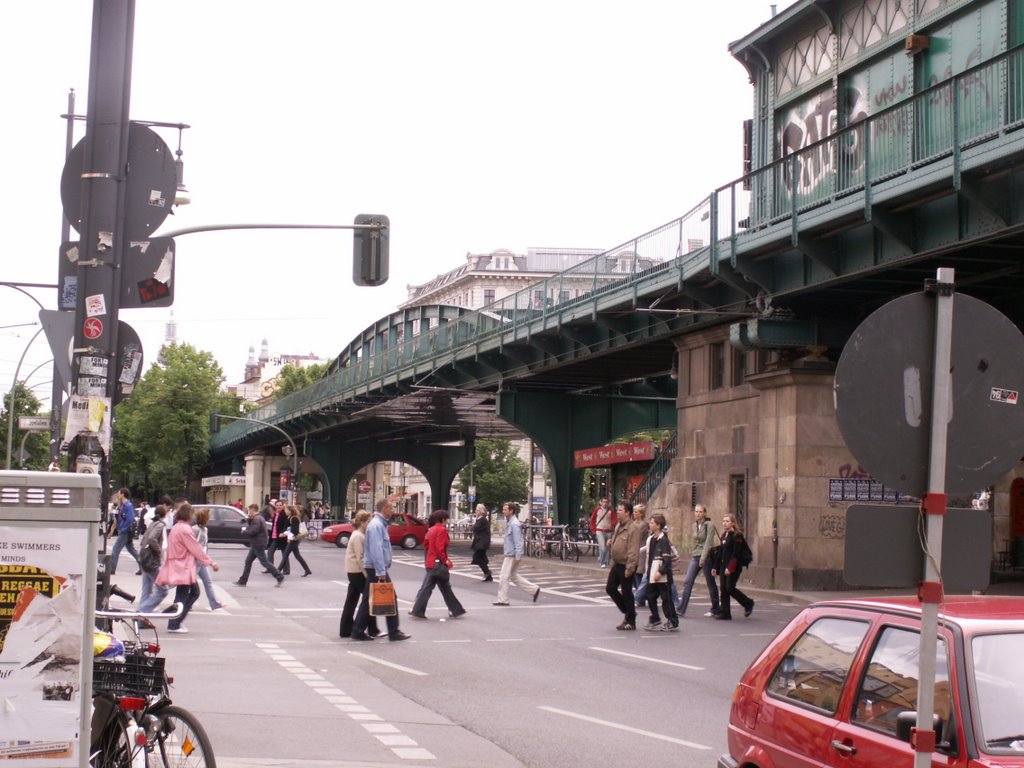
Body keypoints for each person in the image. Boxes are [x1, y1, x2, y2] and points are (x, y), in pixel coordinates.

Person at [153, 503, 220, 633]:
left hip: (179, 565)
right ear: (188, 514)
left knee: (184, 594)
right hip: (183, 567)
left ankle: (174, 619)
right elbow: (196, 548)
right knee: (188, 594)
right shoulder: (185, 529)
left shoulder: (177, 527)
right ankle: (175, 622)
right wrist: (210, 563)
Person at [352, 499, 411, 642]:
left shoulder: (378, 525)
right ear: (384, 508)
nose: (392, 510)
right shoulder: (377, 526)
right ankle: (393, 631)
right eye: (390, 508)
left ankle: (358, 630)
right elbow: (376, 550)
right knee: (390, 597)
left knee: (369, 599)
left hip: (374, 567)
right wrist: (381, 572)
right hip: (376, 568)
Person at [410, 510, 466, 619]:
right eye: (446, 519)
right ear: (443, 519)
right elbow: (440, 548)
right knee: (438, 587)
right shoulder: (442, 530)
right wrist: (445, 560)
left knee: (438, 587)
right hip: (438, 563)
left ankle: (455, 609)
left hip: (431, 562)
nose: (447, 521)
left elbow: (426, 544)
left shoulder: (431, 530)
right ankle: (418, 610)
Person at [677, 504, 721, 618]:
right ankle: (681, 609)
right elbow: (696, 542)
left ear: (705, 513)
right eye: (696, 511)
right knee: (688, 581)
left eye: (700, 512)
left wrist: (703, 558)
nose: (698, 514)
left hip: (706, 557)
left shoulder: (709, 525)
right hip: (695, 556)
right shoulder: (694, 525)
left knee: (710, 582)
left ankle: (715, 608)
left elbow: (708, 543)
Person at [340, 511, 379, 638]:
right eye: (368, 521)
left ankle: (346, 629)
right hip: (357, 571)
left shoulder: (358, 534)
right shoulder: (358, 536)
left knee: (352, 600)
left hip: (353, 571)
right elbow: (361, 557)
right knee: (369, 600)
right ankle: (368, 629)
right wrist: (368, 574)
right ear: (362, 523)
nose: (370, 524)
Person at [494, 501, 541, 606]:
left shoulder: (514, 524)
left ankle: (503, 599)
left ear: (511, 510)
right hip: (511, 554)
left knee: (504, 576)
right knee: (513, 576)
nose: (503, 511)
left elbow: (518, 541)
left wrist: (518, 556)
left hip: (511, 555)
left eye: (505, 509)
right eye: (503, 509)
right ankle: (534, 590)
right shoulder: (511, 522)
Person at [605, 501, 641, 630]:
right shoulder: (618, 526)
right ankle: (628, 612)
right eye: (618, 509)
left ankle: (630, 620)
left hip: (626, 564)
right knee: (610, 588)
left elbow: (633, 550)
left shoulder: (633, 529)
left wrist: (630, 568)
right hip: (617, 563)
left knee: (626, 593)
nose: (618, 512)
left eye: (620, 510)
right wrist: (612, 543)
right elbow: (618, 540)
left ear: (627, 512)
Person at [711, 513, 754, 620]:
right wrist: (715, 567)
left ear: (733, 523)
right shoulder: (724, 535)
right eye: (723, 521)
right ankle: (725, 612)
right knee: (723, 588)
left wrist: (730, 568)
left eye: (727, 521)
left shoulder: (737, 536)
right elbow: (721, 552)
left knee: (729, 588)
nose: (724, 523)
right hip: (723, 566)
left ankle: (748, 603)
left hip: (734, 567)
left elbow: (736, 554)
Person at [642, 513, 679, 631]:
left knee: (666, 599)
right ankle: (655, 618)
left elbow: (667, 560)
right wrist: (649, 574)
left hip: (663, 578)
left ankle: (672, 621)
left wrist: (661, 572)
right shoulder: (652, 539)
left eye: (652, 523)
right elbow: (650, 558)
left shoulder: (664, 540)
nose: (650, 524)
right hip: (653, 575)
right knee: (649, 596)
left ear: (658, 526)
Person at [236, 503, 285, 587]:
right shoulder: (258, 518)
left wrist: (244, 531)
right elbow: (254, 528)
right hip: (256, 543)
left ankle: (279, 576)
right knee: (248, 561)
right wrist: (249, 520)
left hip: (258, 543)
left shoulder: (257, 519)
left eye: (249, 510)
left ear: (253, 510)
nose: (249, 512)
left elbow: (253, 531)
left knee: (264, 562)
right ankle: (242, 581)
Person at [192, 507, 225, 610]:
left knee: (208, 581)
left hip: (201, 561)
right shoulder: (196, 529)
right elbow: (198, 548)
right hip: (195, 561)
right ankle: (185, 603)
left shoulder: (204, 529)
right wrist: (211, 562)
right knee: (184, 584)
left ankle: (214, 603)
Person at [138, 504, 168, 606]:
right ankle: (143, 610)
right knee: (163, 589)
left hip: (145, 558)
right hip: (151, 560)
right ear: (164, 515)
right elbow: (152, 539)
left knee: (146, 589)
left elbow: (144, 540)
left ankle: (140, 612)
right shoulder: (160, 525)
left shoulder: (152, 524)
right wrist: (159, 550)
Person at [108, 487, 141, 575]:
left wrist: (123, 529)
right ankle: (142, 566)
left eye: (119, 493)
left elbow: (130, 519)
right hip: (125, 530)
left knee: (116, 549)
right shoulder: (122, 505)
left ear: (123, 494)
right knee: (131, 549)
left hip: (125, 531)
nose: (118, 495)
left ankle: (112, 568)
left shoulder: (128, 506)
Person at [278, 505, 312, 577]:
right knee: (297, 556)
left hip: (294, 540)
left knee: (285, 555)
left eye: (286, 510)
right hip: (294, 539)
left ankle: (277, 571)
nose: (285, 511)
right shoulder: (291, 518)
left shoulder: (294, 518)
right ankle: (307, 570)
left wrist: (289, 538)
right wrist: (285, 534)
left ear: (290, 511)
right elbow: (290, 529)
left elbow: (294, 531)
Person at [589, 497, 616, 568]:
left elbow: (614, 519)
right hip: (599, 530)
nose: (605, 503)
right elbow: (592, 519)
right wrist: (593, 529)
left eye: (606, 502)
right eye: (603, 502)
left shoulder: (611, 510)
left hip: (608, 530)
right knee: (602, 547)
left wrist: (613, 524)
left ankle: (602, 559)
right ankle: (602, 562)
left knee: (607, 548)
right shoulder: (597, 509)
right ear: (601, 502)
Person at [265, 500, 290, 570]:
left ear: (282, 506)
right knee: (270, 552)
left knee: (284, 553)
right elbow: (274, 525)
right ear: (275, 506)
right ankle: (270, 568)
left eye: (280, 505)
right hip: (274, 537)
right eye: (277, 505)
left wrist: (283, 532)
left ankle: (286, 570)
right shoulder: (276, 514)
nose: (279, 506)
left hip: (281, 537)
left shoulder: (284, 514)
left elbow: (286, 525)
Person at [470, 503, 492, 581]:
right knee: (481, 557)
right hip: (481, 541)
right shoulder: (480, 519)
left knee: (477, 557)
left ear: (481, 511)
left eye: (477, 510)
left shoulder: (482, 519)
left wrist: (473, 524)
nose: (476, 511)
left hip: (482, 542)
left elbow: (476, 527)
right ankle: (488, 574)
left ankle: (487, 572)